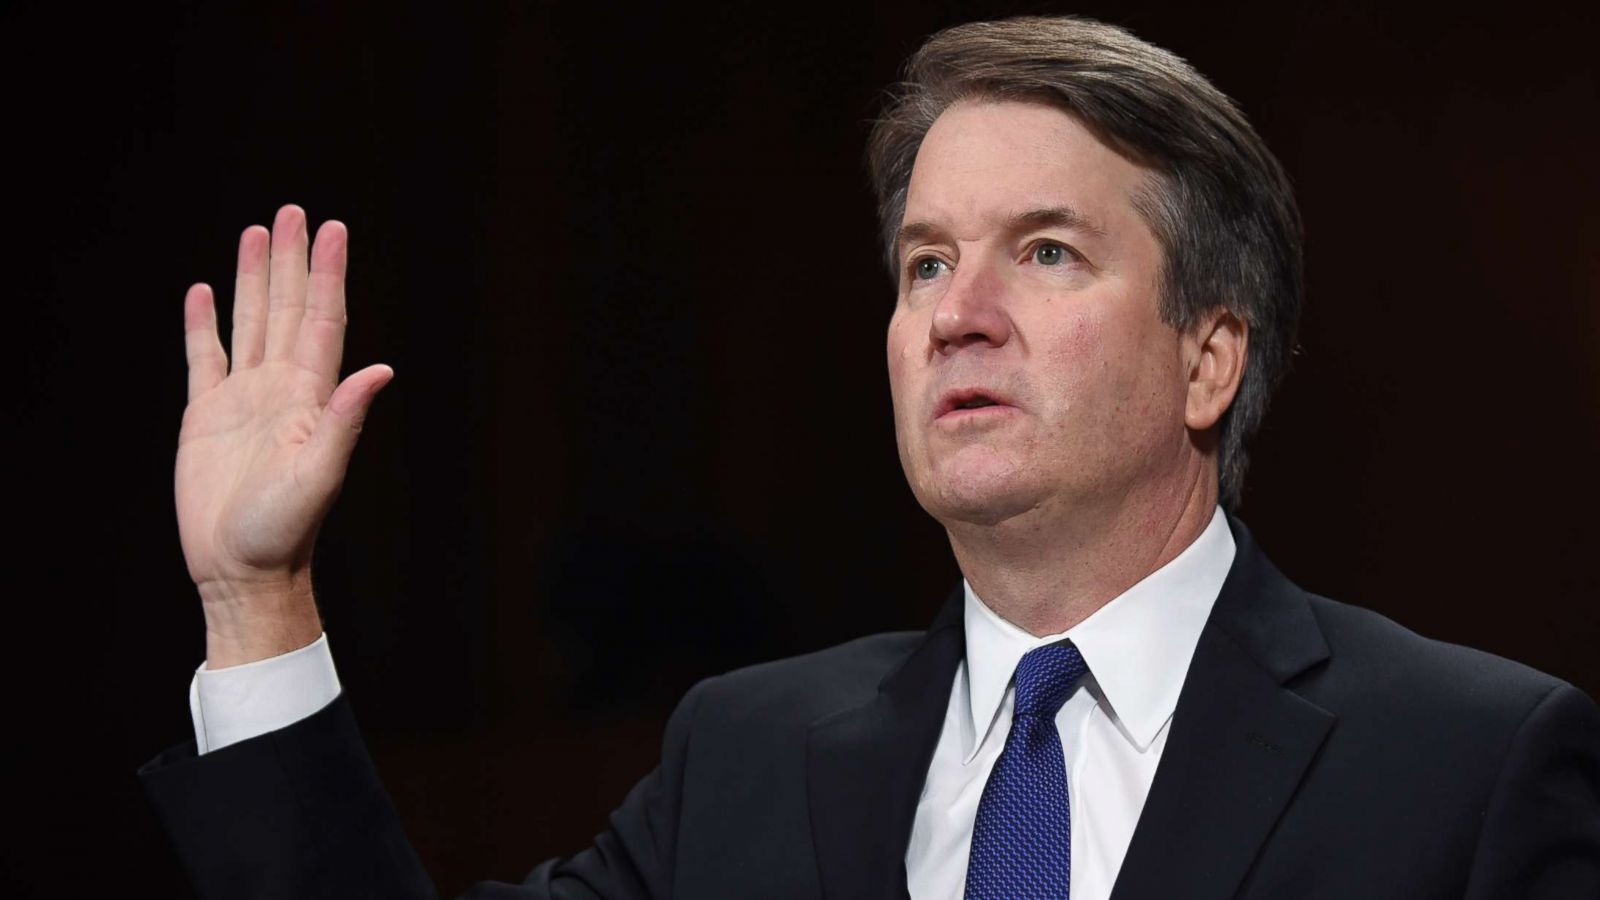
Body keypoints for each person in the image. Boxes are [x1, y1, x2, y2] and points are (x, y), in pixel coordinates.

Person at [141, 15, 1600, 900]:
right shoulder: (750, 758)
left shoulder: (1467, 766)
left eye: (1044, 251)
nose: (958, 315)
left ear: (1208, 357)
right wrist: (254, 597)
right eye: (921, 265)